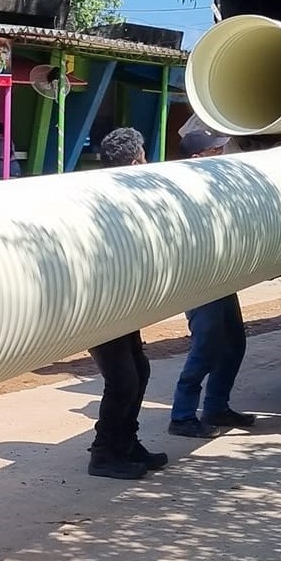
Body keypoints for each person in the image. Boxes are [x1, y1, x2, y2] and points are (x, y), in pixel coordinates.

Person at [85, 127, 169, 479]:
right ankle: (104, 454)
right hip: (99, 303)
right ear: (136, 160)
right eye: (144, 156)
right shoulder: (101, 200)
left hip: (122, 298)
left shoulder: (123, 194)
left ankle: (126, 443)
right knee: (122, 381)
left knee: (140, 370)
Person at [167, 130, 256, 439]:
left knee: (234, 343)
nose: (221, 154)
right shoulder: (183, 191)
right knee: (206, 345)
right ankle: (182, 415)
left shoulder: (212, 184)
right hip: (199, 278)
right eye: (214, 151)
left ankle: (217, 406)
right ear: (197, 158)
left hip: (222, 275)